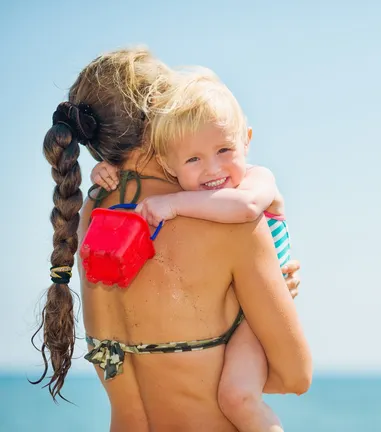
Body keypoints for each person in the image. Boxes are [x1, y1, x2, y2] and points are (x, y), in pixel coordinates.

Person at [32, 47, 311, 432]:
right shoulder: (225, 216)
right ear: (165, 114)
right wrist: (269, 303)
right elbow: (295, 377)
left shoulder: (90, 213)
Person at [90, 69, 292, 431]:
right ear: (168, 164)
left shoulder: (255, 179)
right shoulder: (191, 199)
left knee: (238, 396)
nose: (213, 169)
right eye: (193, 159)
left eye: (225, 149)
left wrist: (176, 203)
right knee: (232, 392)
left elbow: (244, 207)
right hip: (246, 304)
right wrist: (110, 170)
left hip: (257, 312)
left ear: (247, 140)